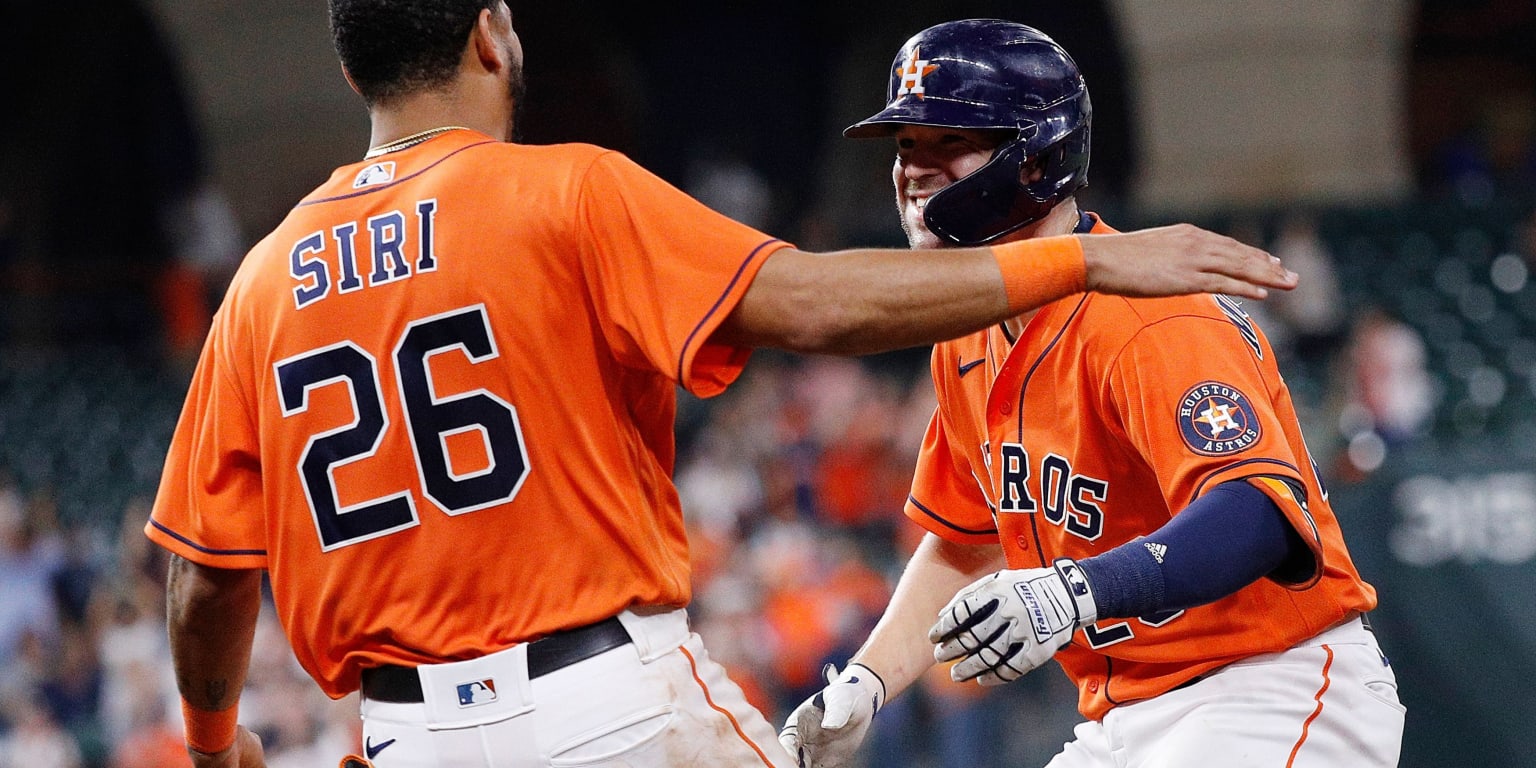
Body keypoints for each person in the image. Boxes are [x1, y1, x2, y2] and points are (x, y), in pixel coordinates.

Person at [142, 4, 1296, 768]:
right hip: (609, 706)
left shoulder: (257, 285)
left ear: (351, 66)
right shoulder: (565, 194)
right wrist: (1083, 254)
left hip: (399, 737)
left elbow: (202, 580)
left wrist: (208, 745)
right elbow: (817, 307)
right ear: (493, 36)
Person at [778, 19, 1404, 768]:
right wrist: (867, 682)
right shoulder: (966, 332)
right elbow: (962, 543)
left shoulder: (1149, 313)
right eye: (907, 145)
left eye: (949, 141)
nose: (914, 168)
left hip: (1269, 685)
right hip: (1125, 712)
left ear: (1037, 156)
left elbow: (1261, 514)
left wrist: (1070, 593)